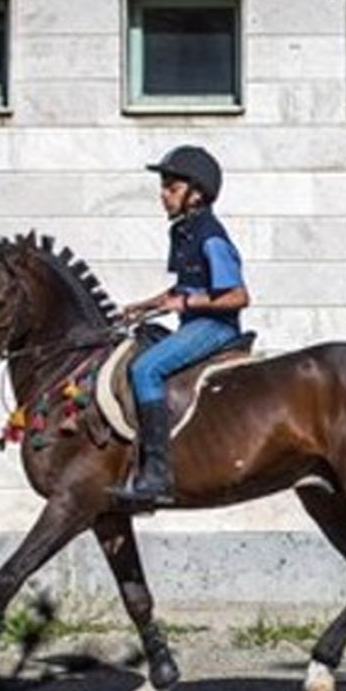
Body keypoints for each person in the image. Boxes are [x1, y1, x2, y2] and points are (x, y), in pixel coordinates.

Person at [109, 145, 250, 507]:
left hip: (216, 328)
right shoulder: (184, 231)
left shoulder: (211, 236)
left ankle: (158, 475)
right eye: (164, 187)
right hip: (193, 322)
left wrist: (185, 304)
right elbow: (183, 287)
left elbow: (238, 296)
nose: (163, 195)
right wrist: (145, 306)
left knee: (145, 369)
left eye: (172, 188)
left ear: (196, 194)